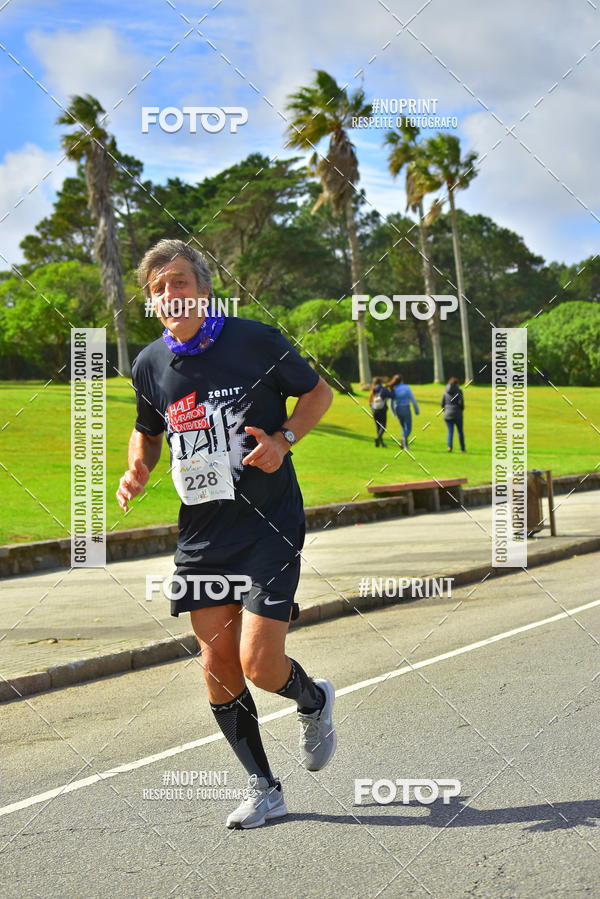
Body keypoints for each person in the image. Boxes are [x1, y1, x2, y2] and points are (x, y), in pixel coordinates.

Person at [116, 239, 336, 830]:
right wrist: (137, 465)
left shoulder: (254, 339)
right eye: (158, 288)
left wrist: (283, 440)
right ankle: (265, 788)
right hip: (204, 533)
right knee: (218, 668)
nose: (170, 295)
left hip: (268, 523)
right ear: (151, 301)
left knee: (262, 666)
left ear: (203, 289)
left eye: (180, 282)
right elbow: (147, 430)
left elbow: (319, 393)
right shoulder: (150, 364)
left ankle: (313, 700)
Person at [388, 374, 419, 449]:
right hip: (405, 408)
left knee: (403, 428)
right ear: (402, 380)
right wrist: (416, 409)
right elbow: (413, 399)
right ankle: (403, 439)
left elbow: (390, 401)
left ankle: (404, 445)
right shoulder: (406, 387)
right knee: (408, 428)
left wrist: (393, 412)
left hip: (397, 409)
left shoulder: (393, 388)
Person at [441, 376, 466, 452]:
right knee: (460, 432)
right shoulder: (459, 391)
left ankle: (449, 447)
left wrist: (446, 410)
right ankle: (462, 448)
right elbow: (461, 403)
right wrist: (460, 409)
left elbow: (442, 403)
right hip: (457, 413)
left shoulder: (445, 392)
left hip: (447, 414)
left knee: (450, 431)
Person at [369, 377, 391, 447]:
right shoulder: (384, 389)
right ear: (381, 382)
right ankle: (378, 438)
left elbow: (370, 400)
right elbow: (390, 395)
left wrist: (372, 408)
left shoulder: (373, 389)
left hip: (375, 409)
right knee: (383, 427)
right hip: (382, 409)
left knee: (378, 427)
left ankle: (380, 443)